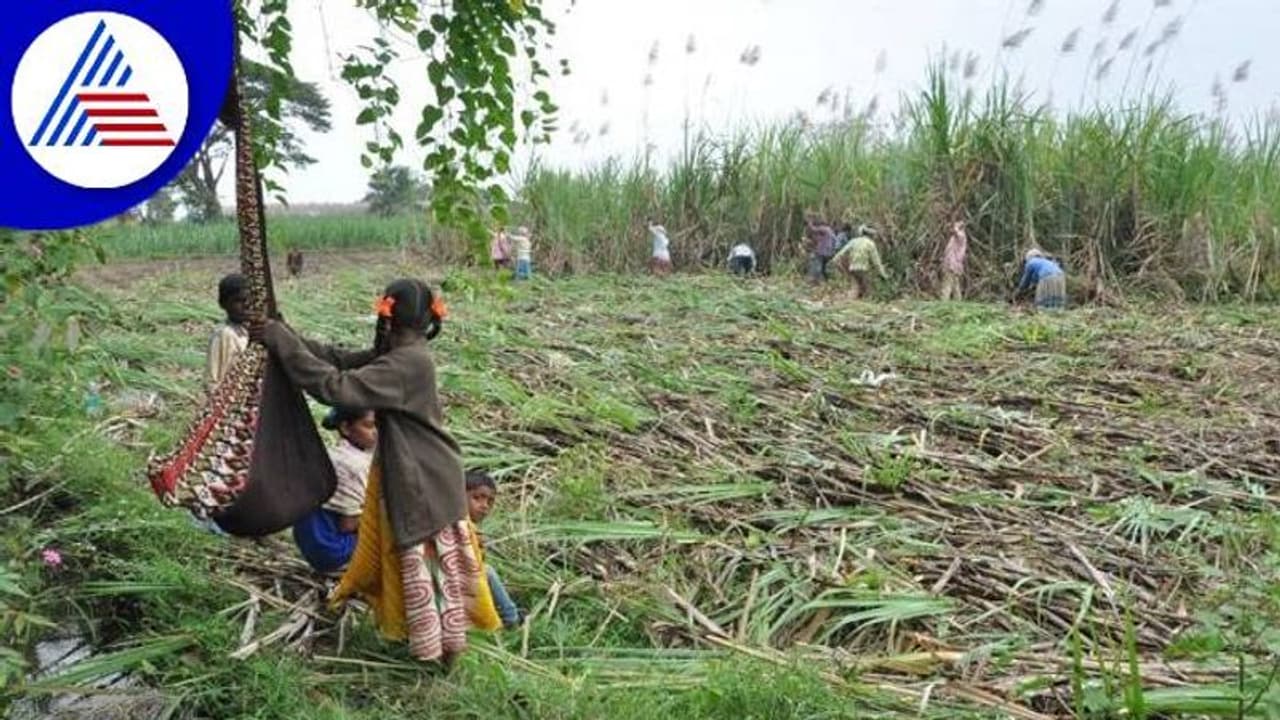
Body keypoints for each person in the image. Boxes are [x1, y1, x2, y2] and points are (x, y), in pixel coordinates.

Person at [251, 278, 494, 664]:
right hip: (424, 473)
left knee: (432, 571)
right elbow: (337, 359)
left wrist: (281, 341)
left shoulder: (407, 362)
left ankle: (441, 658)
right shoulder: (401, 353)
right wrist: (284, 333)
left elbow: (336, 387)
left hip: (425, 479)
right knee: (427, 569)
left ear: (387, 314)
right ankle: (434, 654)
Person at [292, 407, 376, 574]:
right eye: (369, 426)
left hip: (316, 544)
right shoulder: (352, 465)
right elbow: (348, 525)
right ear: (345, 428)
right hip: (333, 548)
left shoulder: (337, 454)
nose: (376, 432)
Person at [465, 470, 522, 629]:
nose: (484, 506)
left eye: (489, 501)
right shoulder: (460, 527)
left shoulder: (470, 528)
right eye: (477, 498)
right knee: (488, 572)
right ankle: (511, 618)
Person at [207, 273, 249, 392]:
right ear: (223, 304)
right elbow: (213, 379)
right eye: (238, 301)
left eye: (248, 300)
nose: (245, 305)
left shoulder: (248, 331)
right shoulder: (224, 335)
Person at [832, 225, 889, 299]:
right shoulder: (870, 244)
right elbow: (876, 262)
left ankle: (850, 304)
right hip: (863, 269)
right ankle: (866, 303)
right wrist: (884, 275)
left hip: (852, 269)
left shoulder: (853, 241)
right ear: (871, 235)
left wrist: (842, 269)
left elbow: (837, 257)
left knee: (856, 288)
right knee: (867, 289)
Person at [940, 219, 968, 301]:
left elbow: (957, 232)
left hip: (953, 265)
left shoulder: (961, 236)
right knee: (955, 285)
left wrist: (955, 226)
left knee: (947, 284)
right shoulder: (954, 238)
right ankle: (958, 302)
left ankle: (944, 302)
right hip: (950, 264)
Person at [804, 216, 837, 284]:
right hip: (828, 252)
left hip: (822, 252)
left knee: (817, 265)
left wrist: (809, 223)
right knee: (823, 267)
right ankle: (825, 281)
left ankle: (814, 280)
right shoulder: (830, 232)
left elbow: (813, 229)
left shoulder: (824, 229)